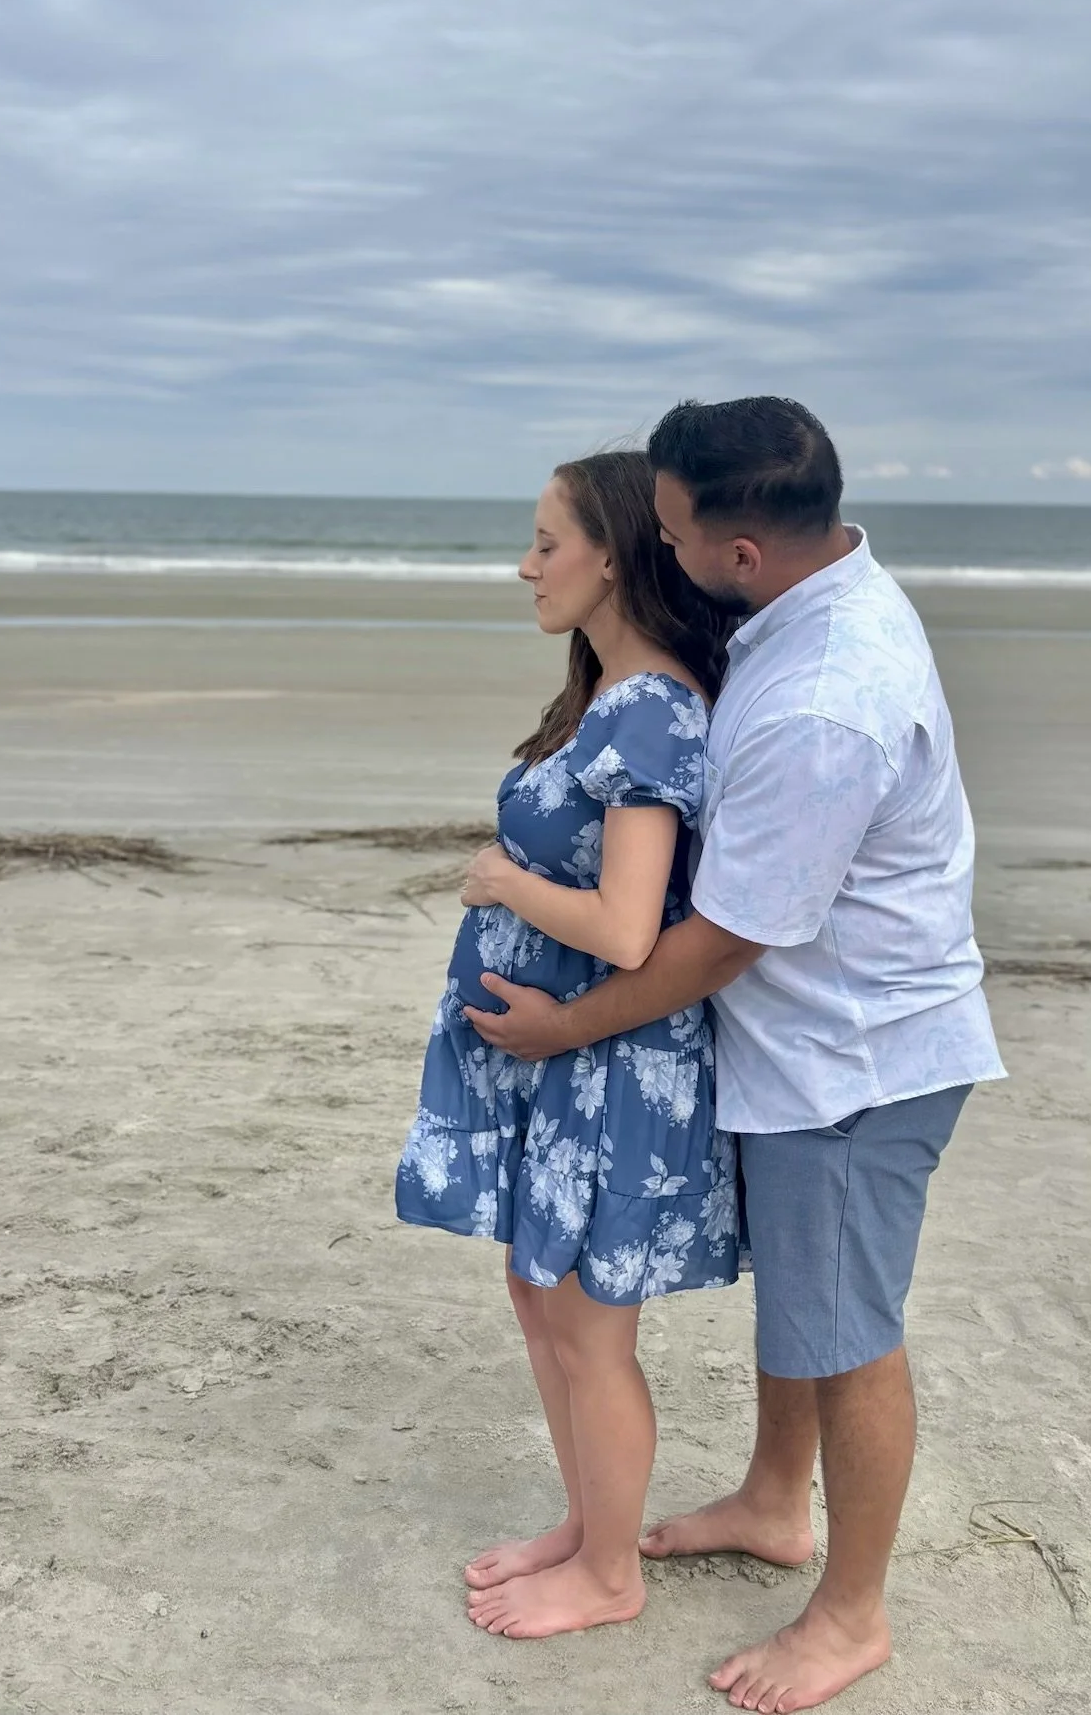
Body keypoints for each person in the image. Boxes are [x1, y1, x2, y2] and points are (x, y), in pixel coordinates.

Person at [465, 397, 1007, 1711]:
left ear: (741, 549)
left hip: (854, 1058)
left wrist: (560, 1027)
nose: (652, 547)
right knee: (803, 1303)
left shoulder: (823, 697)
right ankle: (774, 1500)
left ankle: (848, 1612)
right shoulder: (799, 607)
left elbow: (716, 942)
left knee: (847, 1333)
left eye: (663, 530)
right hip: (804, 1040)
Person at [395, 449, 742, 1641]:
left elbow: (629, 927)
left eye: (548, 541)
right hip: (554, 1061)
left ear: (613, 553)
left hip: (607, 1063)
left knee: (589, 1323)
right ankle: (588, 1526)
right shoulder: (602, 692)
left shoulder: (648, 707)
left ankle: (611, 1572)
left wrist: (498, 878)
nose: (527, 564)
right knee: (535, 1289)